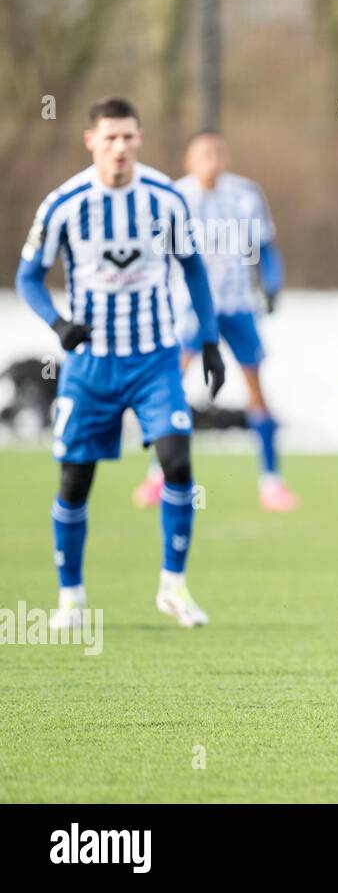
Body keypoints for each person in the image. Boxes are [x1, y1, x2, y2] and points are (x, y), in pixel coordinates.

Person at [15, 97, 225, 629]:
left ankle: (173, 587)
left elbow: (194, 270)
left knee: (178, 463)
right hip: (89, 368)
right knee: (73, 481)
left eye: (129, 136)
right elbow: (27, 277)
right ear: (91, 141)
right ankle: (71, 599)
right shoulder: (63, 204)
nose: (120, 147)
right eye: (110, 137)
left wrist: (208, 340)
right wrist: (59, 325)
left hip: (154, 360)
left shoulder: (164, 198)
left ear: (140, 139)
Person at [133, 131, 297, 511]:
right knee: (172, 386)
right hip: (191, 307)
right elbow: (153, 257)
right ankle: (158, 476)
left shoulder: (246, 194)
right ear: (189, 161)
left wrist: (271, 285)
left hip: (238, 305)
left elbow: (267, 247)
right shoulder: (174, 197)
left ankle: (271, 482)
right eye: (203, 153)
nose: (212, 159)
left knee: (256, 390)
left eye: (217, 152)